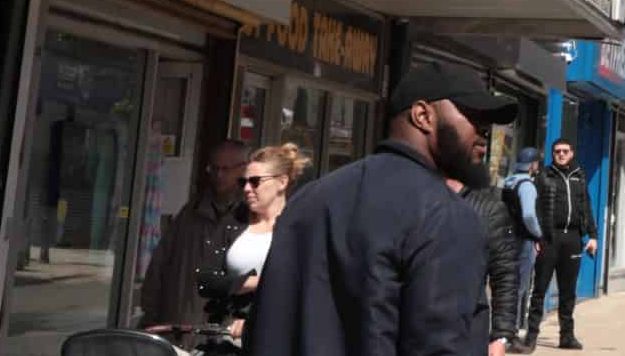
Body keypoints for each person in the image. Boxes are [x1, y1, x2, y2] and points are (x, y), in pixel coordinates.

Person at [243, 62, 516, 356]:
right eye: (474, 116)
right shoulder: (445, 215)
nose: (485, 134)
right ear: (423, 115)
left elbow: (261, 332)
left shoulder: (309, 199)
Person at [140, 139, 249, 333]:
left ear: (244, 169)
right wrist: (151, 317)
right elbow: (159, 265)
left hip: (228, 333)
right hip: (182, 327)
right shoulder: (190, 213)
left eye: (225, 169)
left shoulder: (255, 217)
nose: (218, 175)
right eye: (213, 168)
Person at [199, 142, 308, 336]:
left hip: (278, 334)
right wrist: (259, 281)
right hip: (226, 332)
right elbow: (205, 280)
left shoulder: (300, 227)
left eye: (255, 181)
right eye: (243, 182)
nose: (247, 189)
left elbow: (303, 283)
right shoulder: (234, 219)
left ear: (282, 182)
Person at [444, 139, 522, 356]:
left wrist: (501, 337)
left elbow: (506, 274)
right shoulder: (415, 199)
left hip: (467, 334)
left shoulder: (489, 209)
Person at [525, 138, 598, 350]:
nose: (561, 154)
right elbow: (535, 209)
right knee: (539, 289)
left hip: (573, 239)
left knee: (568, 292)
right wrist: (535, 238)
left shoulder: (579, 177)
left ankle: (567, 336)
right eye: (557, 151)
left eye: (565, 151)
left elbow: (586, 207)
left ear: (572, 153)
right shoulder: (543, 176)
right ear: (552, 154)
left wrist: (592, 236)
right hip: (549, 238)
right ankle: (531, 337)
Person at [501, 147, 545, 347]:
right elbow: (528, 215)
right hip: (523, 241)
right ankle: (510, 334)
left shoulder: (508, 182)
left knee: (507, 286)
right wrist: (538, 234)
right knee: (519, 287)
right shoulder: (527, 185)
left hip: (506, 239)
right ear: (533, 164)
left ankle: (504, 330)